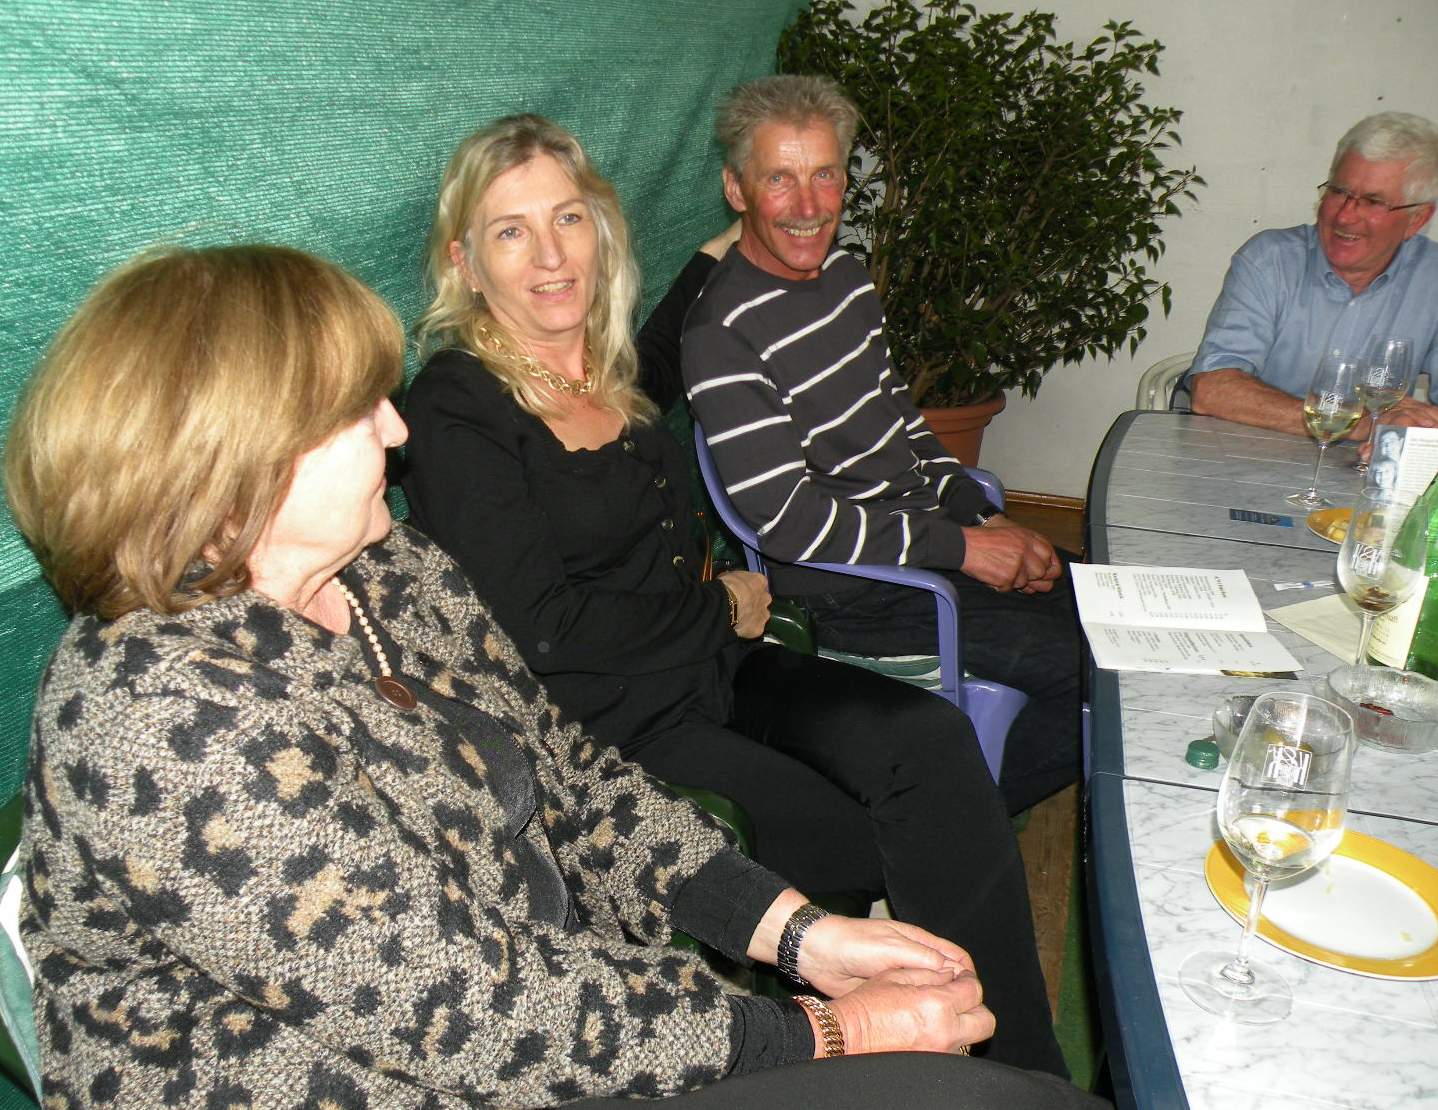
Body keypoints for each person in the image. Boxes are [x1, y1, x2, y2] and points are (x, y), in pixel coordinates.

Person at [3, 244, 1114, 1108]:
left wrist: (797, 934)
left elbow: (574, 777)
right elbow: (467, 1011)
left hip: (556, 1016)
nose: (393, 427)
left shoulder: (389, 574)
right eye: (355, 410)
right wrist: (828, 1030)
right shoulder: (161, 722)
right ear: (232, 462)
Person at [400, 115, 1074, 1080]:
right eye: (513, 232)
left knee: (930, 743)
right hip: (607, 720)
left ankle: (1021, 1070)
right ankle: (906, 1055)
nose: (551, 255)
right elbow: (541, 632)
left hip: (715, 666)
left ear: (601, 230)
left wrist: (737, 237)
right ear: (465, 263)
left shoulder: (609, 368)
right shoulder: (456, 407)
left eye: (569, 218)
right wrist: (720, 608)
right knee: (860, 842)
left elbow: (664, 340)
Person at [680, 76, 1082, 816]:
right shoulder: (722, 334)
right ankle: (955, 832)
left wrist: (981, 516)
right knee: (1098, 675)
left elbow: (902, 418)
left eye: (825, 174)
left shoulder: (845, 277)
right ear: (736, 189)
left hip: (925, 539)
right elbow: (790, 526)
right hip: (852, 592)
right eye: (779, 178)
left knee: (1119, 613)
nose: (809, 206)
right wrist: (964, 549)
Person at [1184, 111, 1438, 436]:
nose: (1345, 216)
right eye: (1339, 192)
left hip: (1365, 464)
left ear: (1417, 219)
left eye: (1373, 202)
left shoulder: (1431, 278)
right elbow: (1212, 390)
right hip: (1250, 453)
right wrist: (1359, 424)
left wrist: (1415, 425)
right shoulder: (1270, 260)